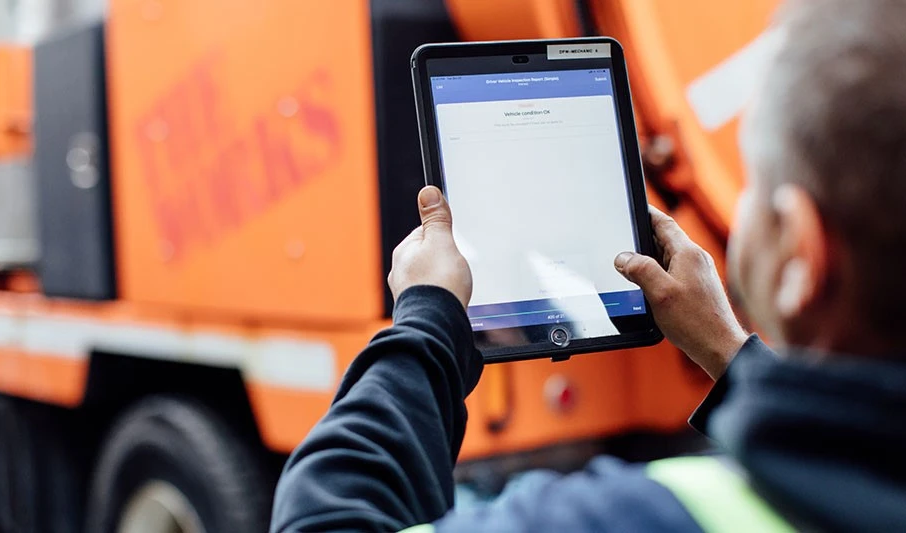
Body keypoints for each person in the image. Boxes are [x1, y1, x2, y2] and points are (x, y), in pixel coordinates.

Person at [270, 0, 906, 531]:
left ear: (799, 254)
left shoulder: (629, 518)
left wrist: (427, 321)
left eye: (755, 187)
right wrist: (727, 351)